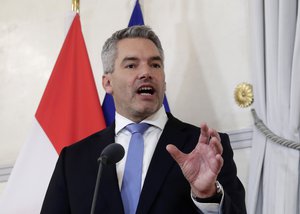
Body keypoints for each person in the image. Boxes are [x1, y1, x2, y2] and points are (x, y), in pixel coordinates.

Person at [41, 25, 246, 214]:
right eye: (131, 65)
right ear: (107, 82)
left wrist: (207, 195)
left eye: (155, 65)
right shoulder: (75, 159)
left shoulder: (205, 149)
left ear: (164, 80)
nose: (146, 73)